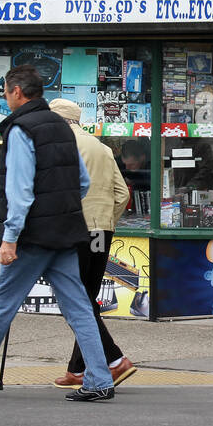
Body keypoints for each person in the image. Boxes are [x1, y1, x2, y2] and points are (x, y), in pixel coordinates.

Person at [0, 66, 117, 402]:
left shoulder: (20, 130)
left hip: (31, 237)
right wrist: (61, 212)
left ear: (17, 91)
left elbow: (19, 191)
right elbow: (83, 184)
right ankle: (100, 379)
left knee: (1, 304)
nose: (5, 97)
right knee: (79, 307)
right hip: (64, 234)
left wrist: (10, 238)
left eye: (5, 92)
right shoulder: (63, 128)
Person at [47, 98, 138, 389]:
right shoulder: (101, 147)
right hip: (101, 231)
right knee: (85, 297)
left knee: (75, 301)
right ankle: (77, 368)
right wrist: (105, 220)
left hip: (72, 231)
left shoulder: (57, 145)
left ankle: (115, 359)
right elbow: (122, 193)